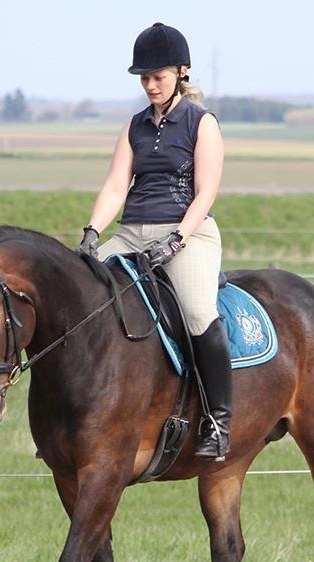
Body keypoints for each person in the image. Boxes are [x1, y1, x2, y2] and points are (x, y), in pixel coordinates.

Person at [76, 21, 231, 461]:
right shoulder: (134, 126)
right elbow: (115, 187)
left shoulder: (202, 123)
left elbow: (206, 193)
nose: (150, 86)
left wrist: (178, 239)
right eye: (143, 78)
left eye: (157, 77)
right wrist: (92, 234)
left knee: (198, 311)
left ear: (182, 72)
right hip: (131, 232)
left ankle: (219, 421)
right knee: (80, 294)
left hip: (188, 231)